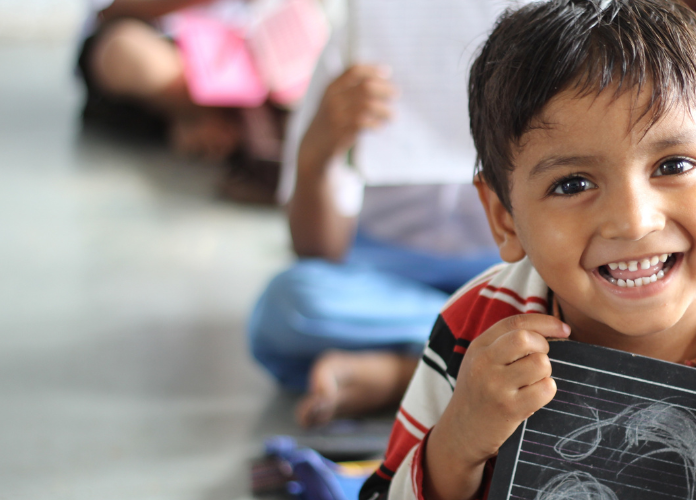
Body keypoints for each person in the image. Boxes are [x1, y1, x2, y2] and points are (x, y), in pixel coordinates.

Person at [359, 0, 696, 498]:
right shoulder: (475, 333)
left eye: (673, 166)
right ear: (503, 216)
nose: (633, 222)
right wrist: (457, 444)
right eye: (572, 184)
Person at [247, 40, 501, 424]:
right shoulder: (355, 42)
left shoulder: (552, 36)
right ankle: (481, 350)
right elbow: (316, 249)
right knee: (292, 302)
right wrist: (318, 157)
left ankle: (403, 372)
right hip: (383, 274)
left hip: (509, 267)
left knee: (589, 302)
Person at [78, 0, 242, 161]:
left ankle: (217, 124)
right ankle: (196, 116)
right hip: (169, 59)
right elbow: (110, 12)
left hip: (243, 65)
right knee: (125, 49)